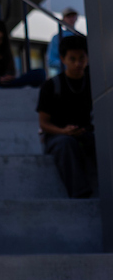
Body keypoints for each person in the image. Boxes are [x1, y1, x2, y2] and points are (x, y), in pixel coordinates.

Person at [37, 35, 96, 198]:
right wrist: (63, 131)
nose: (78, 63)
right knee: (66, 144)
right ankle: (80, 193)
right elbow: (43, 123)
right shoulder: (51, 86)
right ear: (63, 59)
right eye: (72, 59)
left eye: (82, 58)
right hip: (58, 136)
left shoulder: (93, 83)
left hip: (84, 133)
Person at [45, 8, 79, 78]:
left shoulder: (80, 37)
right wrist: (69, 64)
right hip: (65, 76)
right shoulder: (57, 38)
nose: (71, 19)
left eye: (73, 16)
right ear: (63, 19)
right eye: (68, 16)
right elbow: (51, 61)